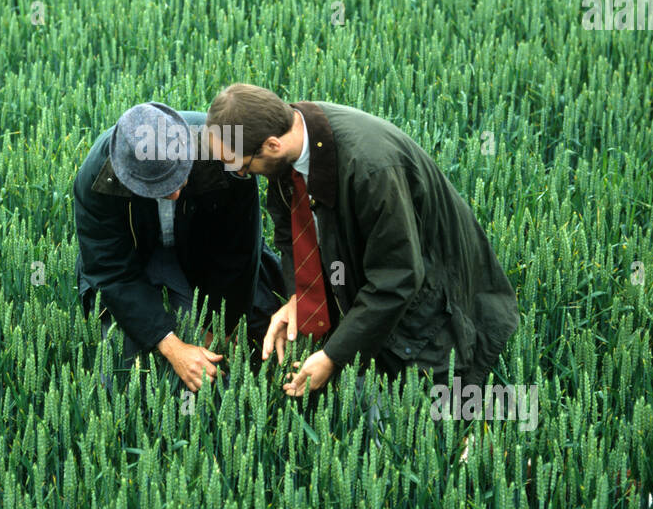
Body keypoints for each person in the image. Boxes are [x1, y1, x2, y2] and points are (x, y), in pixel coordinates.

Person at [204, 84, 519, 407]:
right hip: (379, 300)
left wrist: (332, 357)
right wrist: (300, 297)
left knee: (418, 433)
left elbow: (396, 277)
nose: (239, 174)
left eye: (242, 166)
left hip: (435, 312)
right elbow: (291, 236)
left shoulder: (371, 169)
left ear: (271, 145)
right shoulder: (290, 145)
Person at [73, 101, 286, 394]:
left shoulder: (225, 148)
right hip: (133, 259)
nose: (174, 193)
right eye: (159, 188)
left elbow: (238, 250)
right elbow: (110, 270)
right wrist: (171, 346)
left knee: (247, 346)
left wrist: (223, 322)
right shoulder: (98, 178)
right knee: (125, 376)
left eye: (180, 177)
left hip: (203, 251)